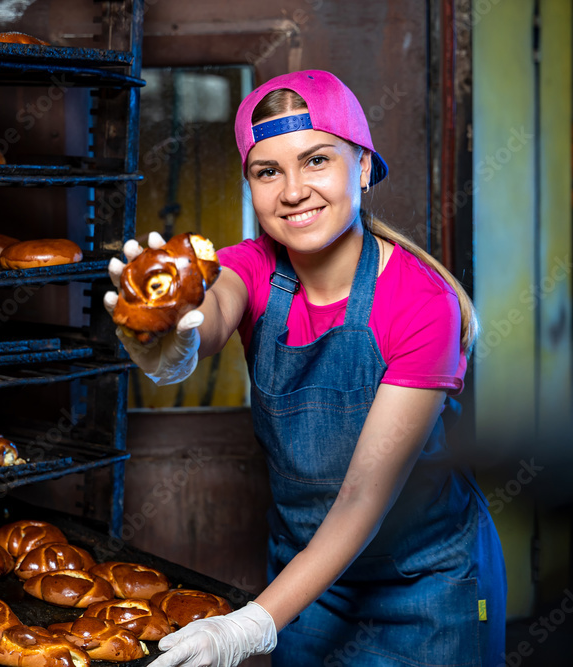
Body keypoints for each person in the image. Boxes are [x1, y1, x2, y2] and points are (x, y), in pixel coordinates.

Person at [105, 70, 506, 665]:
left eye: (316, 160)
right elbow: (214, 310)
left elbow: (364, 498)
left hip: (426, 586)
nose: (293, 192)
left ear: (364, 168)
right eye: (268, 171)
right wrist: (174, 338)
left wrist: (251, 624)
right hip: (306, 584)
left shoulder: (422, 303)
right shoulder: (249, 266)